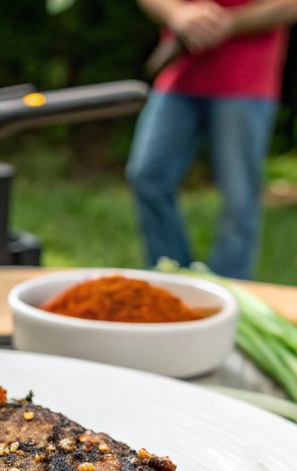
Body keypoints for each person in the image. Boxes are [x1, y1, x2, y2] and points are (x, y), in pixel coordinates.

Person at [126, 0, 297, 280]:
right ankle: (172, 279)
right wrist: (177, 14)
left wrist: (230, 23)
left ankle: (229, 291)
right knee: (147, 176)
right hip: (180, 75)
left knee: (239, 197)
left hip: (246, 80)